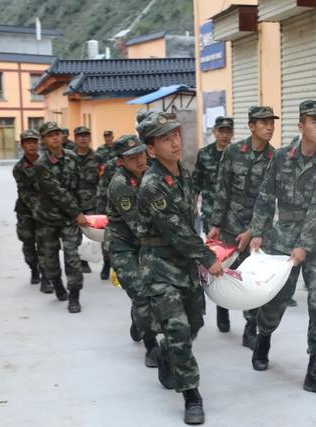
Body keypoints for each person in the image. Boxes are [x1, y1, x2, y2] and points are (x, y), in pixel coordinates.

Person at [249, 100, 316, 398]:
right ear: (301, 126)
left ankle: (315, 372)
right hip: (282, 239)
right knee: (276, 301)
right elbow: (266, 195)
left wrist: (304, 245)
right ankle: (263, 339)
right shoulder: (281, 157)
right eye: (315, 122)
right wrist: (257, 232)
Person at [137, 112, 223, 425]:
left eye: (176, 135)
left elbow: (189, 223)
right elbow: (175, 229)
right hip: (160, 266)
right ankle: (191, 395)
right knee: (179, 329)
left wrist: (204, 244)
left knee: (195, 323)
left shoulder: (183, 174)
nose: (175, 142)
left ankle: (164, 352)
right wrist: (207, 257)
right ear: (151, 149)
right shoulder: (151, 185)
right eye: (165, 139)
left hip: (185, 263)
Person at [207, 107, 277, 348]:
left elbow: (269, 200)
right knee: (226, 270)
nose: (269, 127)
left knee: (253, 277)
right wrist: (215, 224)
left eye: (272, 123)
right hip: (230, 223)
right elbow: (222, 188)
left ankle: (250, 327)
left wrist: (254, 231)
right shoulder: (233, 152)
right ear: (251, 126)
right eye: (264, 123)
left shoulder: (274, 158)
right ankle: (222, 305)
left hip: (257, 228)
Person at [105, 134, 159, 367]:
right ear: (121, 161)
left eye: (141, 154)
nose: (139, 160)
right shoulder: (120, 185)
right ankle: (151, 346)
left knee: (155, 293)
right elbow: (139, 226)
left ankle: (139, 319)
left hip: (147, 243)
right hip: (123, 246)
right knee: (141, 294)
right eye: (132, 157)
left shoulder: (152, 174)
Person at [33, 121, 86, 313]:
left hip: (69, 219)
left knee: (72, 256)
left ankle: (74, 296)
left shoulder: (72, 157)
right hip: (48, 218)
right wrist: (77, 212)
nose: (55, 137)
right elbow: (57, 192)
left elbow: (78, 186)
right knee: (50, 259)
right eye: (50, 135)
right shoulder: (41, 164)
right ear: (43, 140)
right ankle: (57, 285)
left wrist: (83, 210)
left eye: (57, 133)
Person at [192, 116, 234, 333]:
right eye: (222, 131)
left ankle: (231, 303)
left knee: (234, 263)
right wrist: (193, 207)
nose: (225, 135)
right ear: (215, 132)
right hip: (211, 216)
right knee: (218, 262)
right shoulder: (205, 154)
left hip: (234, 217)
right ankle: (222, 308)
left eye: (228, 131)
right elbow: (196, 182)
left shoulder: (237, 154)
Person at [12, 129, 52, 293]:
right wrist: (37, 207)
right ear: (22, 145)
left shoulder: (47, 162)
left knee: (44, 244)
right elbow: (24, 192)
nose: (32, 145)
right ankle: (33, 268)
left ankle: (46, 278)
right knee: (28, 242)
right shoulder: (19, 168)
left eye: (34, 142)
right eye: (28, 142)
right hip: (26, 211)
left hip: (45, 211)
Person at [73, 126, 99, 274]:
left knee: (88, 234)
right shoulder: (69, 158)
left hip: (91, 201)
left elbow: (102, 180)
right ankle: (76, 261)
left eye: (85, 135)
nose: (83, 138)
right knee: (73, 234)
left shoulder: (97, 158)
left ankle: (84, 261)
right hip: (73, 202)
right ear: (75, 139)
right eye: (80, 136)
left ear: (89, 138)